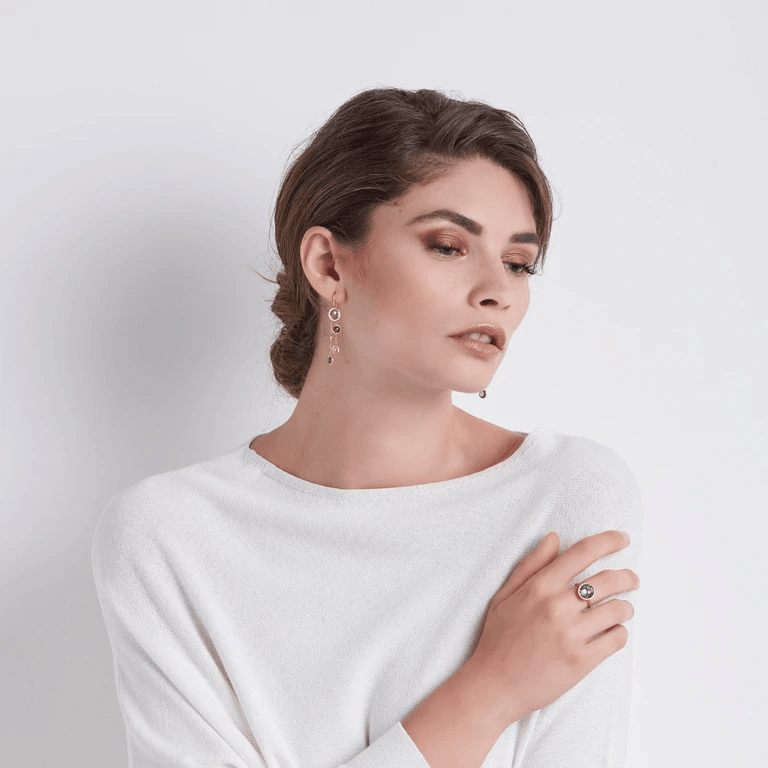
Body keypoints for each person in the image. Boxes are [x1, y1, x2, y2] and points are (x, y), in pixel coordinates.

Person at [91, 86, 643, 768]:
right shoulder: (168, 538)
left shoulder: (566, 498)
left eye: (518, 263)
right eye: (449, 246)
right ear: (328, 265)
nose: (498, 290)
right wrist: (491, 691)